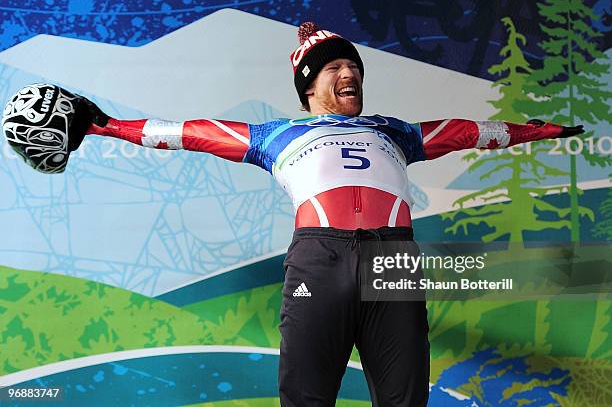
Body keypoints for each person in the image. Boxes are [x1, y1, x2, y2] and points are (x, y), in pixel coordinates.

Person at [2, 21, 583, 407]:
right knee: (305, 400)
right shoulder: (274, 134)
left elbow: (469, 133)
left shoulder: (394, 130)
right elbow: (188, 134)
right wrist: (104, 125)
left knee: (406, 401)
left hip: (394, 261)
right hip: (320, 259)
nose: (348, 72)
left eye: (352, 65)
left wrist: (548, 130)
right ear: (310, 85)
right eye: (334, 68)